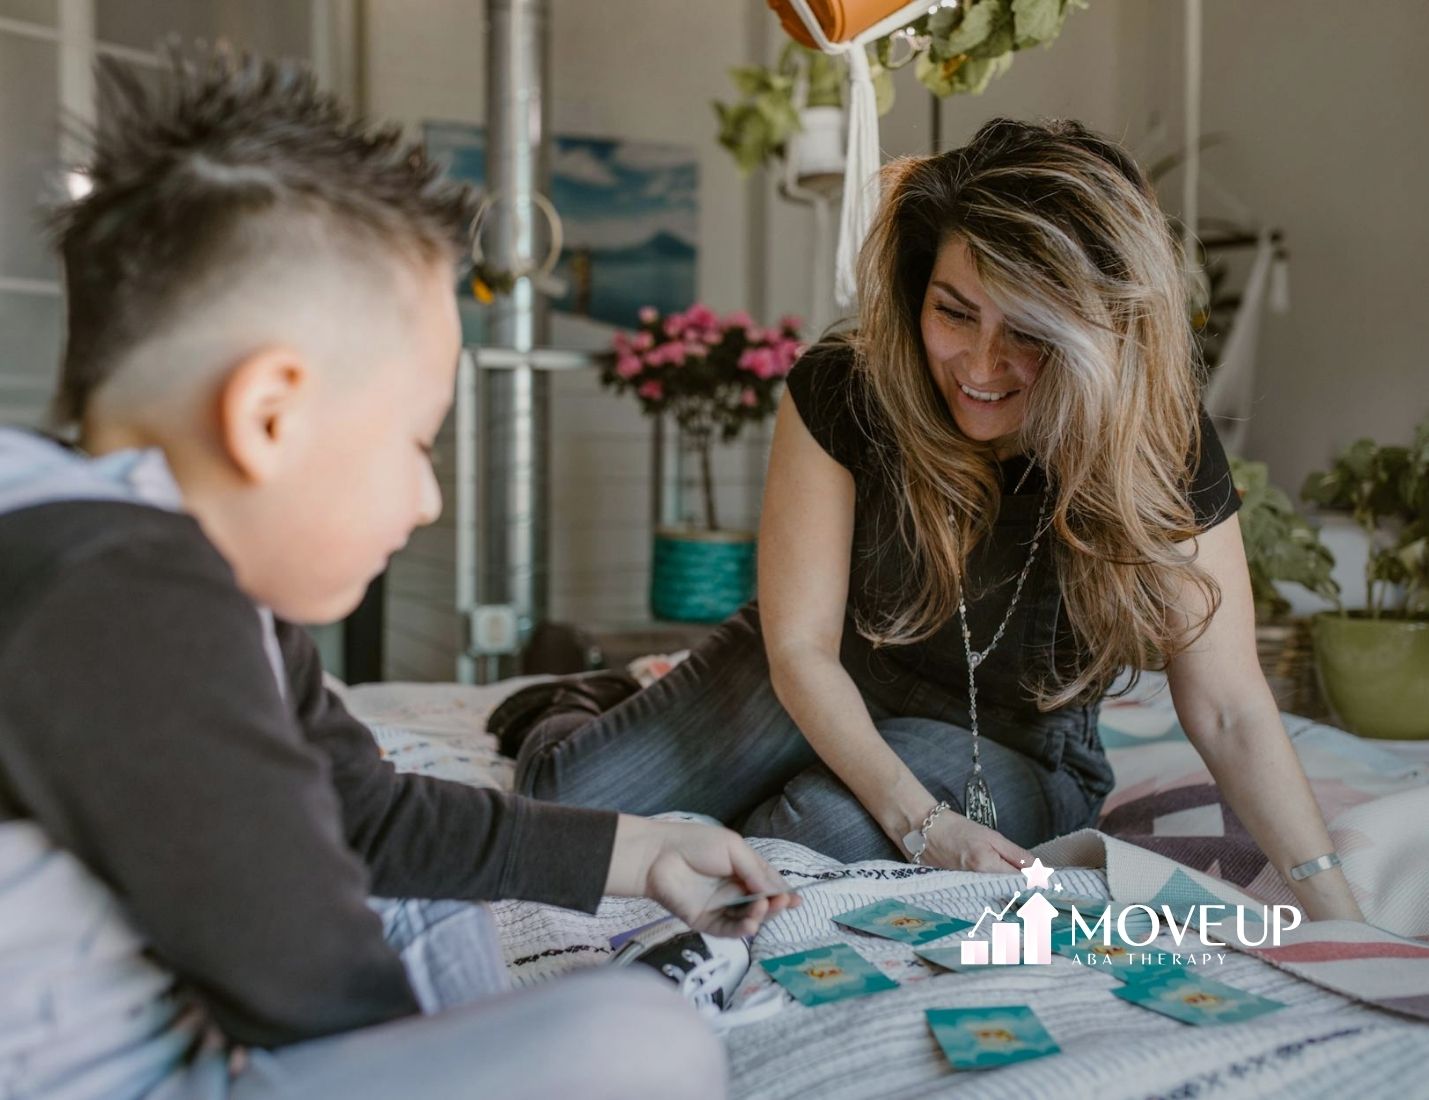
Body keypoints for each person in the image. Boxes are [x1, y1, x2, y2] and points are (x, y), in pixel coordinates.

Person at [0, 50, 797, 1100]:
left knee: (428, 887)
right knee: (639, 1040)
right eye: (416, 442)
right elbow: (315, 983)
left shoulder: (166, 564)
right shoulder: (120, 600)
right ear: (269, 417)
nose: (426, 500)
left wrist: (635, 849)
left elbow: (364, 816)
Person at [507, 119, 1364, 925]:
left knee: (804, 836)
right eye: (954, 311)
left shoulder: (1159, 443)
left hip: (1012, 743)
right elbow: (800, 648)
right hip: (822, 666)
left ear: (1096, 336)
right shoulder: (845, 388)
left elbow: (1227, 709)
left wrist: (1337, 915)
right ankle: (607, 695)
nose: (981, 367)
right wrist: (918, 820)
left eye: (1028, 333)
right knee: (554, 802)